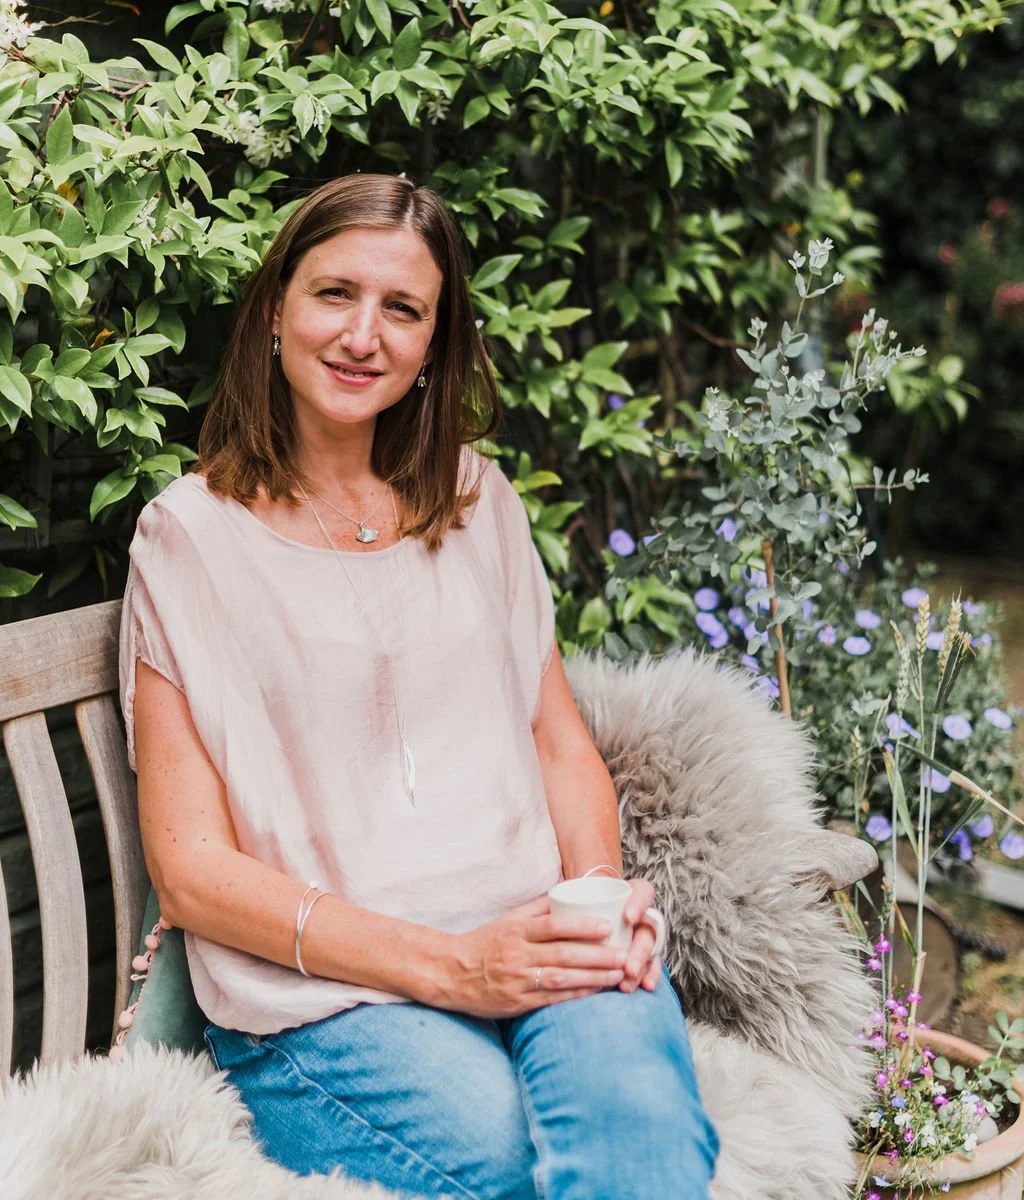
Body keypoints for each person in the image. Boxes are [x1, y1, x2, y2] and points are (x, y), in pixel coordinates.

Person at [120, 173, 719, 1200]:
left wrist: (596, 905)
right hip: (325, 998)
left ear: (435, 344)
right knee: (512, 1168)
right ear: (275, 309)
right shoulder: (191, 538)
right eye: (334, 293)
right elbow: (191, 871)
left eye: (403, 309)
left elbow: (558, 739)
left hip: (534, 932)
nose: (364, 334)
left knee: (645, 1137)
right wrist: (452, 967)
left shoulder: (476, 500)